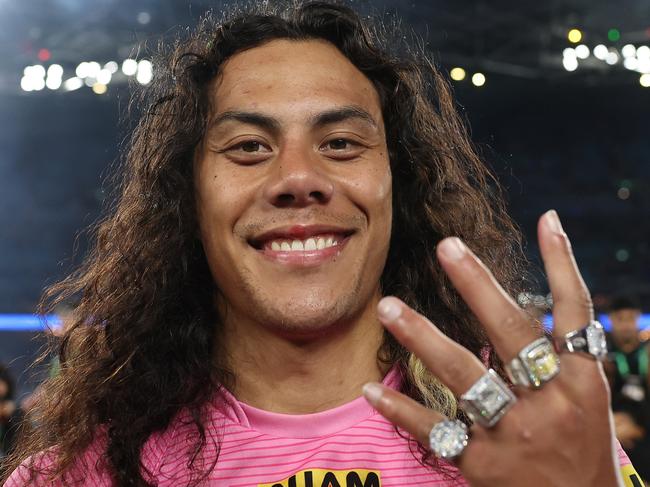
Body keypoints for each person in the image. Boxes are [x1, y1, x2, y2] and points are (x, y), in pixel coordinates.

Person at [1, 2, 641, 486]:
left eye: (340, 143)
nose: (299, 179)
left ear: (401, 183)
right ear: (188, 197)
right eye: (249, 147)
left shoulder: (532, 431)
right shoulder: (79, 471)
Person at [606, 295, 650, 482]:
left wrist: (639, 428)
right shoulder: (603, 355)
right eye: (620, 319)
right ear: (611, 320)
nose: (625, 325)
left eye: (630, 318)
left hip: (643, 429)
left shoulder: (647, 353)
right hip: (611, 432)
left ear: (638, 318)